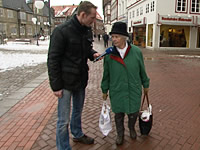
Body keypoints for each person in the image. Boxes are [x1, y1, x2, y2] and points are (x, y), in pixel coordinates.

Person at [47, 1, 101, 150]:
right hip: (65, 83)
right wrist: (56, 86)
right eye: (92, 17)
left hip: (81, 80)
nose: (93, 21)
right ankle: (63, 147)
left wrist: (92, 54)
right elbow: (53, 59)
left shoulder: (86, 30)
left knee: (77, 111)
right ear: (82, 15)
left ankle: (77, 134)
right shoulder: (61, 31)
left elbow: (86, 49)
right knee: (63, 120)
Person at [101, 22, 150, 145]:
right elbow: (106, 75)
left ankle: (132, 128)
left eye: (117, 36)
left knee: (133, 113)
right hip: (117, 89)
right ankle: (120, 134)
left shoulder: (136, 52)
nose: (114, 39)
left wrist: (146, 84)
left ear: (124, 37)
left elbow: (142, 71)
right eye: (113, 36)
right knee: (118, 115)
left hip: (133, 88)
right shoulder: (109, 55)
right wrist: (104, 90)